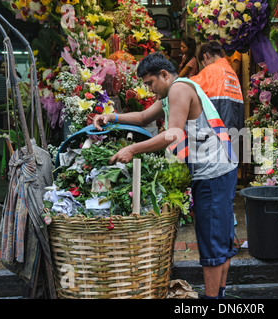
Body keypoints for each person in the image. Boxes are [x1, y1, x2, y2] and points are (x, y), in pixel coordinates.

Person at [92, 52, 238, 299]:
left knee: (213, 243)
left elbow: (173, 135)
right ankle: (219, 296)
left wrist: (132, 148)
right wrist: (111, 117)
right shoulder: (174, 91)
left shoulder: (179, 89)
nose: (149, 90)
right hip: (222, 167)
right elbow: (142, 117)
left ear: (164, 74)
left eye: (150, 83)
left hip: (212, 173)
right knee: (220, 240)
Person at [190, 41, 244, 131]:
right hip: (234, 127)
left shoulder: (210, 70)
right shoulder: (231, 72)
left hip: (217, 126)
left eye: (204, 64)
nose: (205, 67)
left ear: (205, 56)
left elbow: (188, 86)